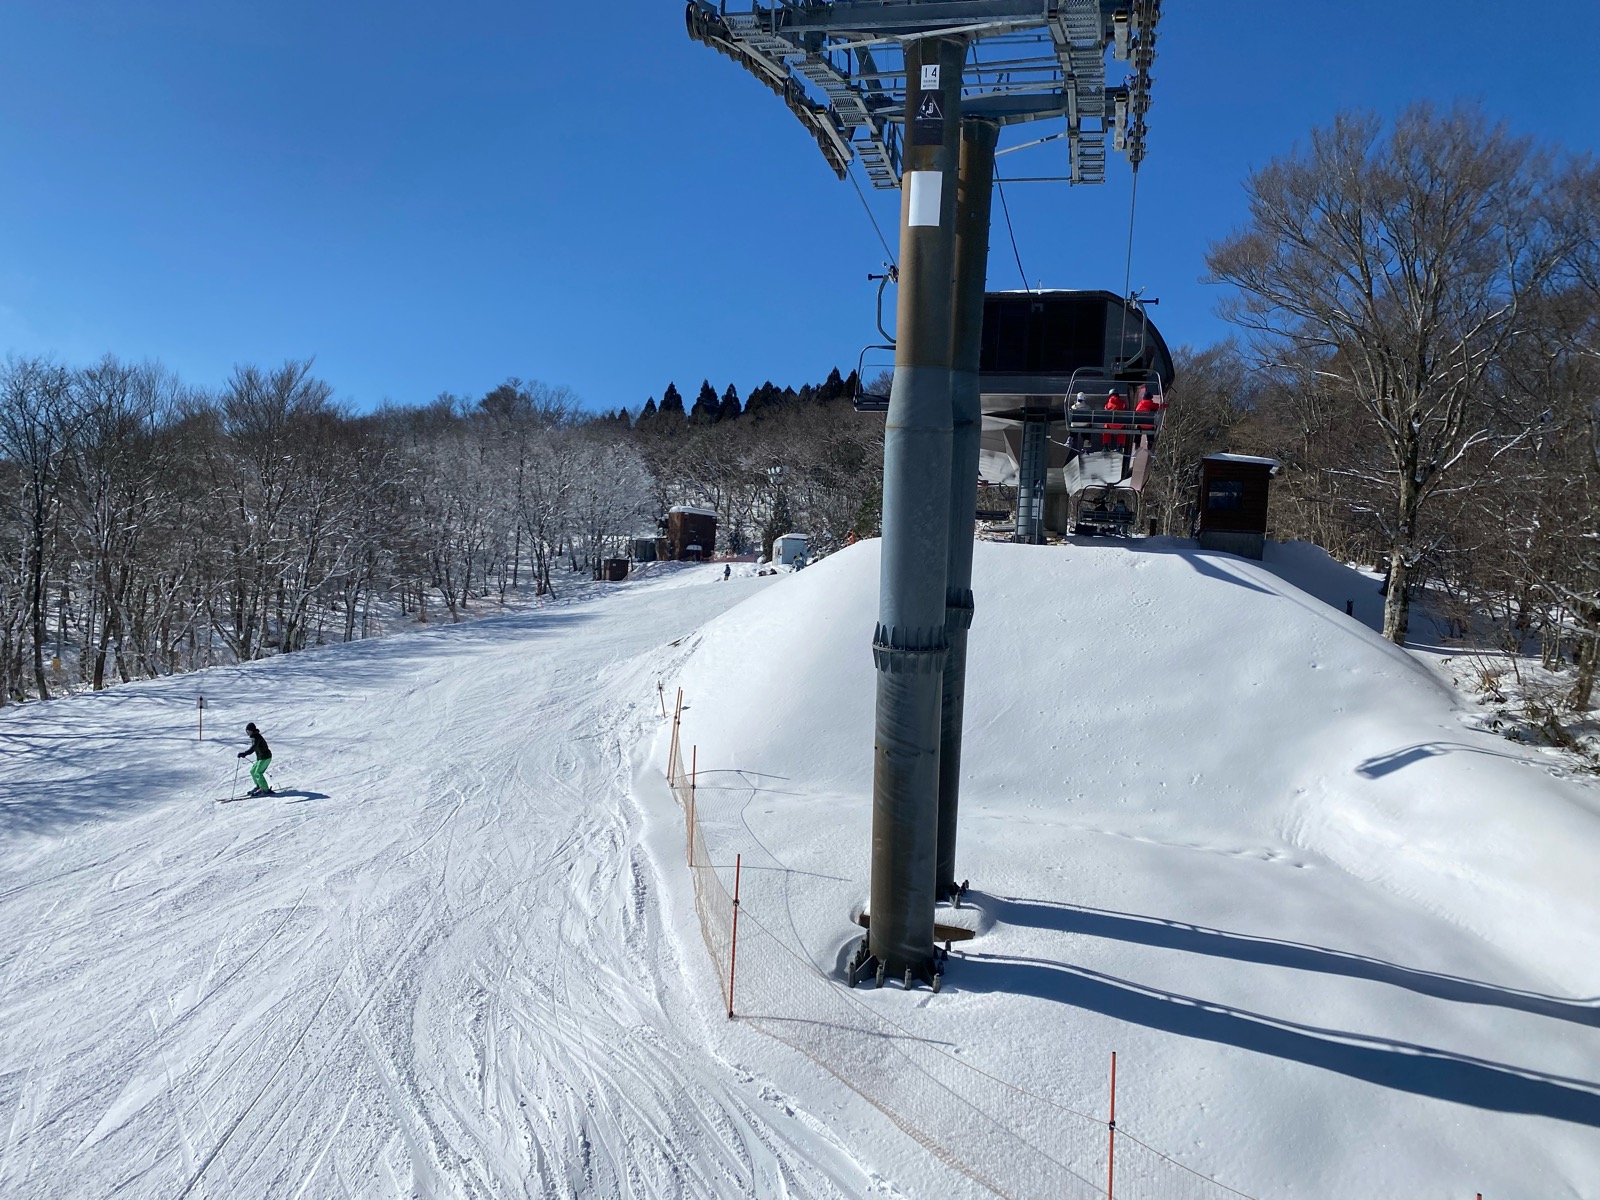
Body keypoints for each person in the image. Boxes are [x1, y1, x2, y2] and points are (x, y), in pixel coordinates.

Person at [238, 722, 273, 796]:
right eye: (246, 731)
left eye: (248, 731)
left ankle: (265, 789)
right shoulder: (255, 737)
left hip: (265, 757)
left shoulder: (257, 737)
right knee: (253, 771)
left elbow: (253, 748)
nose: (247, 733)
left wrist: (245, 753)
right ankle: (259, 786)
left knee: (258, 772)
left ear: (252, 731)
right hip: (261, 758)